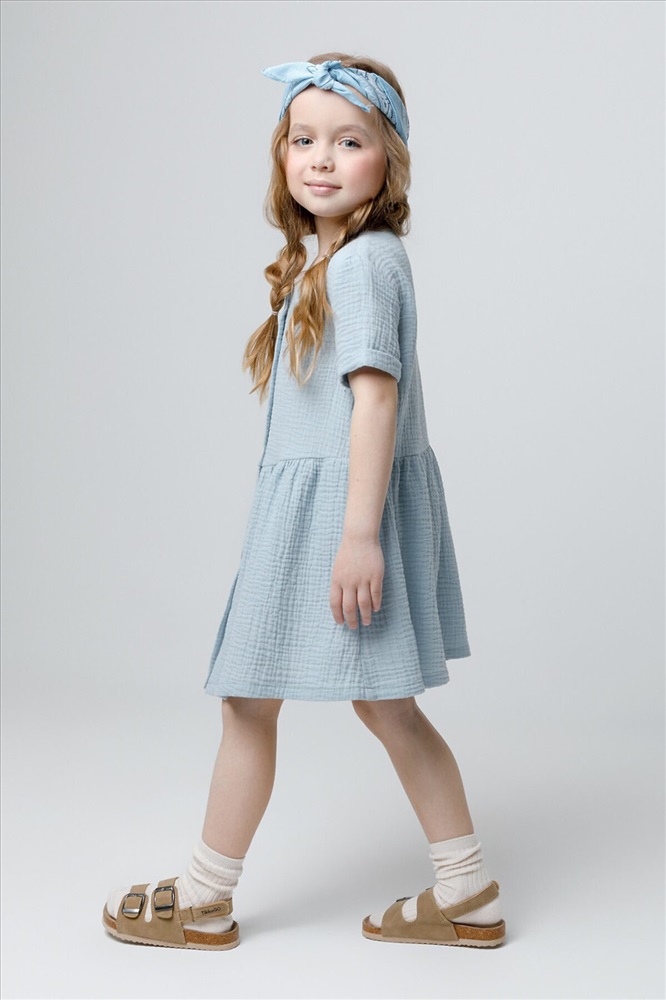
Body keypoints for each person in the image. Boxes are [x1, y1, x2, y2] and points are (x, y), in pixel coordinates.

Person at [102, 52, 506, 951]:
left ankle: (204, 897)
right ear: (281, 154)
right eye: (304, 139)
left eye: (349, 141)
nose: (321, 158)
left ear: (389, 161)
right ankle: (466, 889)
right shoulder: (341, 261)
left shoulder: (361, 266)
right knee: (383, 706)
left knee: (250, 699)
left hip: (336, 520)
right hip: (323, 511)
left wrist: (358, 536)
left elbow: (376, 400)